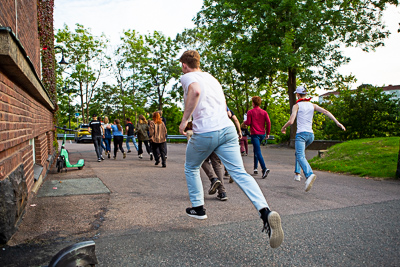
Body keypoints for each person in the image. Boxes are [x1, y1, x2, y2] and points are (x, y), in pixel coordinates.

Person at [179, 50, 283, 249]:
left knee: (191, 166)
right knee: (240, 173)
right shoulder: (212, 79)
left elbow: (195, 91)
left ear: (185, 64)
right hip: (226, 130)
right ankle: (265, 212)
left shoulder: (188, 77)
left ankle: (199, 208)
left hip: (207, 132)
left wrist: (185, 121)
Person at [281, 86, 346, 191]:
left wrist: (283, 128)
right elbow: (326, 112)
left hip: (301, 135)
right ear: (305, 94)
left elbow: (291, 121)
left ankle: (309, 174)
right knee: (299, 153)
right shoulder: (312, 105)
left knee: (300, 155)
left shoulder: (296, 106)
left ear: (297, 94)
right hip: (311, 135)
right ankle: (297, 173)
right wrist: (337, 122)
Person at [244, 96, 271, 179]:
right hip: (262, 134)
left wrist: (244, 122)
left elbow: (248, 123)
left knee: (258, 151)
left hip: (255, 134)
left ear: (253, 103)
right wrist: (268, 133)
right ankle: (255, 168)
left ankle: (264, 168)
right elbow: (268, 122)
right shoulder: (264, 112)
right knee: (256, 150)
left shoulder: (250, 112)